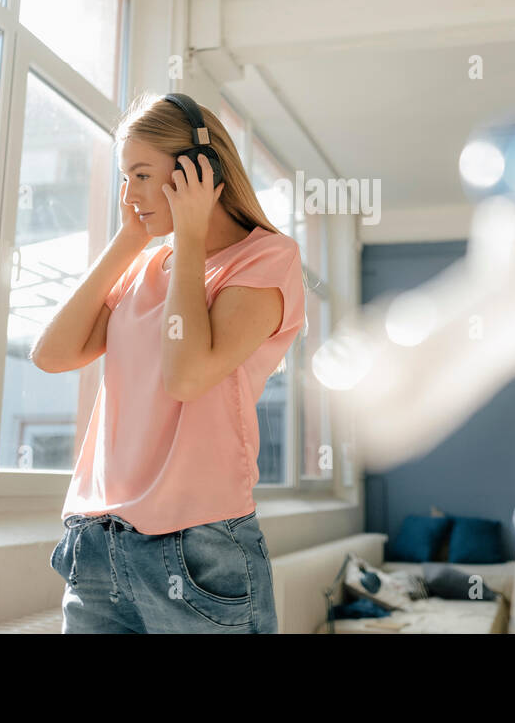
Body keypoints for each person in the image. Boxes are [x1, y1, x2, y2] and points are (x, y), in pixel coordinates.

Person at [30, 92, 306, 633]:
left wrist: (192, 234)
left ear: (197, 172)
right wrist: (128, 241)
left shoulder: (267, 258)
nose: (128, 194)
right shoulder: (146, 263)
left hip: (196, 545)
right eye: (123, 178)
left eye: (139, 174)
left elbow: (186, 375)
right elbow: (51, 354)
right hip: (96, 542)